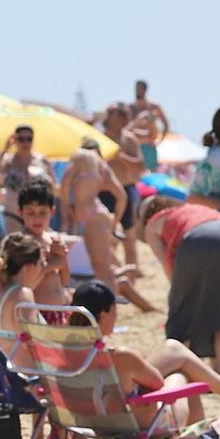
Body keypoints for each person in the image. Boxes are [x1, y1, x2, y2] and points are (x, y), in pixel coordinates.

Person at [68, 280, 220, 430]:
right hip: (137, 424)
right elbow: (156, 383)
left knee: (172, 349)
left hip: (89, 418)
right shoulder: (122, 357)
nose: (116, 317)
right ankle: (204, 429)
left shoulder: (61, 351)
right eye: (114, 311)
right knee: (183, 375)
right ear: (103, 316)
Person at [137, 195, 220, 378]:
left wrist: (185, 295)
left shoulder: (152, 225)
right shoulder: (193, 209)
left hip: (198, 238)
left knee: (182, 317)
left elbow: (171, 271)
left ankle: (179, 374)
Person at [59, 138, 154, 312]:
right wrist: (114, 221)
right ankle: (110, 311)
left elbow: (65, 182)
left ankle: (111, 313)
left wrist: (68, 206)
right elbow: (121, 196)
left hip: (90, 215)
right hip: (98, 214)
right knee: (102, 269)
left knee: (103, 271)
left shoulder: (80, 156)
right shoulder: (102, 165)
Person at [0, 232, 45, 366]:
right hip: (27, 378)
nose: (42, 268)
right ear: (29, 268)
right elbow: (34, 344)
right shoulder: (22, 294)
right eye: (40, 264)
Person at [13, 180, 74, 307]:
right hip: (39, 310)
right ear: (20, 212)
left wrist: (62, 257)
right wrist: (49, 265)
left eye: (42, 212)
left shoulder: (53, 239)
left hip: (60, 308)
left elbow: (64, 280)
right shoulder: (21, 244)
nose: (37, 218)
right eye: (30, 212)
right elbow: (25, 286)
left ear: (52, 212)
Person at [0, 125, 55, 228]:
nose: (25, 143)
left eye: (29, 139)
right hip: (12, 214)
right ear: (15, 140)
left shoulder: (42, 160)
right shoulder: (9, 161)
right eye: (21, 139)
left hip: (37, 216)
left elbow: (55, 186)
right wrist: (5, 149)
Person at [97, 102, 145, 232]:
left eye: (111, 112)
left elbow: (140, 166)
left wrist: (120, 157)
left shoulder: (129, 139)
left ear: (122, 118)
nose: (107, 115)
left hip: (125, 191)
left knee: (128, 236)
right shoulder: (98, 138)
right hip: (100, 192)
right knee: (101, 234)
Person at [127, 80, 170, 171]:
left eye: (139, 89)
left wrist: (159, 141)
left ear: (145, 90)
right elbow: (127, 128)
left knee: (153, 172)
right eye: (136, 89)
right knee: (137, 171)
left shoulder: (153, 106)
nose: (137, 91)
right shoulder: (131, 107)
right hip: (136, 142)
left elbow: (166, 124)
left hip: (149, 143)